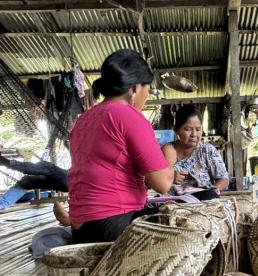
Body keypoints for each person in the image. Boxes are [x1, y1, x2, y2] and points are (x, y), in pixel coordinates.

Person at [65, 49, 176, 243]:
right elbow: (163, 184)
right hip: (112, 225)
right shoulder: (128, 115)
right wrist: (169, 157)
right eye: (147, 90)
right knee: (204, 199)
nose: (147, 96)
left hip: (81, 228)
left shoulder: (84, 119)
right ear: (134, 89)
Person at [162, 105, 229, 199]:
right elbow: (153, 180)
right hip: (173, 203)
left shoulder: (207, 151)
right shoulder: (167, 150)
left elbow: (224, 179)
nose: (194, 134)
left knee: (209, 196)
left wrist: (215, 189)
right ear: (176, 130)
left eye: (198, 129)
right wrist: (169, 177)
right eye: (188, 129)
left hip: (202, 201)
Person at [0, 155, 68, 211]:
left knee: (48, 167)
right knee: (28, 181)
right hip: (71, 181)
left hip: (74, 179)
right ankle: (1, 204)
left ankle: (6, 162)